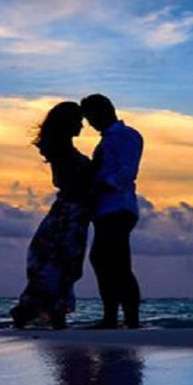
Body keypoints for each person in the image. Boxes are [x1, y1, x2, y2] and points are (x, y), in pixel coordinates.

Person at [10, 102, 94, 330]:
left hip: (69, 212)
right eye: (78, 121)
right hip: (70, 214)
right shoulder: (64, 152)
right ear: (68, 123)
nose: (82, 126)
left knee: (57, 261)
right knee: (64, 262)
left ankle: (38, 311)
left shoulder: (62, 150)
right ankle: (52, 313)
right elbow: (69, 183)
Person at [80, 94, 143, 329]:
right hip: (105, 208)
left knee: (116, 263)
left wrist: (101, 185)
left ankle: (126, 319)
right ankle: (113, 317)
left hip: (118, 206)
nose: (89, 123)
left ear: (102, 112)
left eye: (90, 117)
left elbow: (128, 171)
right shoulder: (108, 139)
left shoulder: (126, 135)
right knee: (105, 260)